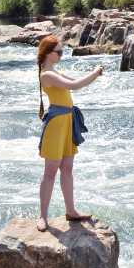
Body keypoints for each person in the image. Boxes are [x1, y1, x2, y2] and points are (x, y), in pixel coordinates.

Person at [35, 34, 103, 233]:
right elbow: (75, 86)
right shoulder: (46, 74)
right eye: (59, 52)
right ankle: (42, 216)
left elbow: (74, 81)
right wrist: (96, 72)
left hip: (67, 122)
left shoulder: (54, 71)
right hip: (56, 124)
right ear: (48, 53)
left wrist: (92, 74)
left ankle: (70, 210)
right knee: (50, 172)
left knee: (67, 168)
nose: (61, 55)